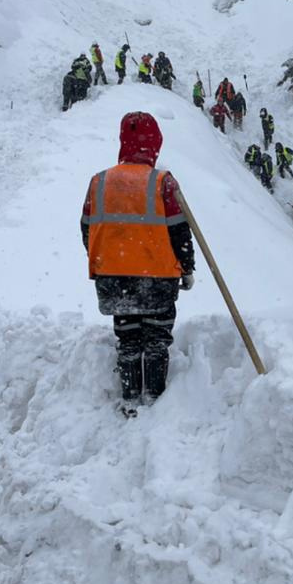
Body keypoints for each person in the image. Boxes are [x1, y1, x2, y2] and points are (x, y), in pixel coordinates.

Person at [81, 112, 195, 415]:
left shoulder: (99, 181)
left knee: (128, 336)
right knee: (156, 338)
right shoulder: (162, 182)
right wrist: (187, 267)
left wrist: (106, 260)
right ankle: (154, 400)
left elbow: (87, 229)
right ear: (155, 143)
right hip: (157, 279)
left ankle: (131, 399)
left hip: (114, 278)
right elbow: (180, 231)